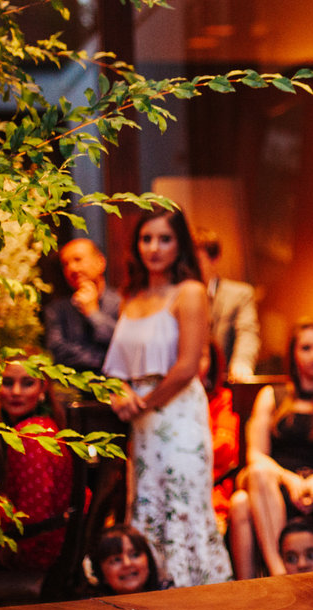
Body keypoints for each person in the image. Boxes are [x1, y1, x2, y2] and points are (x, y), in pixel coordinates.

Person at [102, 207, 233, 587]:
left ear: (180, 245)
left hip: (176, 413)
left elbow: (187, 366)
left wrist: (141, 403)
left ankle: (195, 599)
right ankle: (153, 598)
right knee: (146, 502)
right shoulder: (131, 295)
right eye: (146, 238)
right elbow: (116, 366)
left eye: (165, 238)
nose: (154, 248)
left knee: (181, 503)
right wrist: (120, 392)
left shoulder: (189, 292)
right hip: (140, 419)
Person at [228, 320, 313, 578]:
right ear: (293, 353)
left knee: (240, 503)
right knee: (258, 471)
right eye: (306, 348)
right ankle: (278, 570)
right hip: (272, 482)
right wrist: (288, 479)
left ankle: (249, 585)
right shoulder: (272, 394)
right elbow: (256, 454)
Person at [0, 359, 73, 570]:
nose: (16, 392)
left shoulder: (32, 435)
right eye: (7, 382)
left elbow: (32, 517)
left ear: (42, 388)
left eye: (27, 383)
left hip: (35, 551)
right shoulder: (43, 425)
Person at [43, 238, 121, 373]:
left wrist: (93, 313)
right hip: (72, 388)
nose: (71, 268)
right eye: (65, 264)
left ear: (100, 262)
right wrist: (106, 361)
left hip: (118, 387)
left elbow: (123, 345)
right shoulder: (56, 310)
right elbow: (59, 352)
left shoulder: (121, 302)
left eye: (78, 260)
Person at [194, 228, 260, 381]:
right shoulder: (174, 295)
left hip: (221, 384)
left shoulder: (239, 294)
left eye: (197, 261)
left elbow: (247, 332)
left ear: (214, 259)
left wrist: (242, 364)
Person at [200, 341, 239, 536]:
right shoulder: (164, 402)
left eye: (202, 356)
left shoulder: (221, 399)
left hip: (212, 491)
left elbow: (225, 448)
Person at [86, 524, 171, 596]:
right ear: (100, 571)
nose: (127, 563)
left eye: (135, 555)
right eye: (116, 560)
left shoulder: (170, 596)